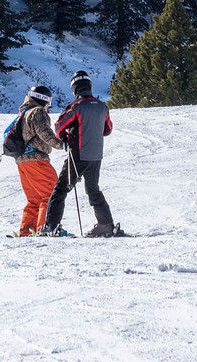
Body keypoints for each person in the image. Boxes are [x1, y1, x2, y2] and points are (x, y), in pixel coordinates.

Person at [44, 70, 120, 237]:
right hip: (96, 156)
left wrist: (66, 135)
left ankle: (51, 226)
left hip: (78, 155)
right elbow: (108, 130)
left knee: (60, 190)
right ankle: (106, 225)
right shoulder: (102, 106)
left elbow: (58, 127)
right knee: (93, 190)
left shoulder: (75, 107)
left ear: (74, 89)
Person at [8, 83, 61, 237]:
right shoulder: (37, 111)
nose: (49, 105)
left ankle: (26, 230)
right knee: (50, 193)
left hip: (22, 161)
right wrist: (61, 144)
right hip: (36, 159)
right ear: (42, 99)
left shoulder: (24, 112)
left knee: (34, 199)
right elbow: (44, 132)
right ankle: (45, 228)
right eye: (48, 101)